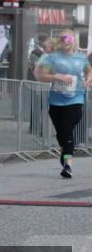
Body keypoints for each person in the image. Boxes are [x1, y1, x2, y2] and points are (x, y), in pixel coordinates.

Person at [34, 32, 92, 179]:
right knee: (61, 134)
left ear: (73, 42)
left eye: (69, 40)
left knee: (67, 130)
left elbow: (89, 70)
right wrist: (56, 76)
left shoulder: (81, 58)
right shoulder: (52, 58)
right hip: (55, 101)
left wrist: (88, 80)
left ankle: (68, 165)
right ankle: (65, 150)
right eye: (63, 41)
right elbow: (41, 76)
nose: (66, 43)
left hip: (75, 100)